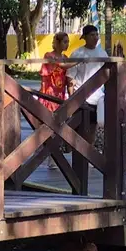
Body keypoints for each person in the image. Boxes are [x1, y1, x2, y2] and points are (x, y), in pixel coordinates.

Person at [67, 24, 108, 144]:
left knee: (92, 128)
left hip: (98, 98)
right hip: (81, 97)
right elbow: (70, 77)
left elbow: (107, 74)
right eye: (92, 35)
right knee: (79, 130)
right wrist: (72, 100)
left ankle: (90, 156)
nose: (95, 38)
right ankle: (77, 155)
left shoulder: (102, 54)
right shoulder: (77, 54)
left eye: (97, 35)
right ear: (84, 37)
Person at [40, 32, 74, 168]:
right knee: (50, 127)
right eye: (65, 42)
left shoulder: (66, 57)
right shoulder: (49, 56)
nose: (67, 44)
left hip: (60, 96)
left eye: (68, 41)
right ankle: (50, 156)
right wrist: (80, 60)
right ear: (58, 43)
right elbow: (61, 66)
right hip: (49, 94)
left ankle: (55, 155)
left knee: (59, 127)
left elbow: (67, 77)